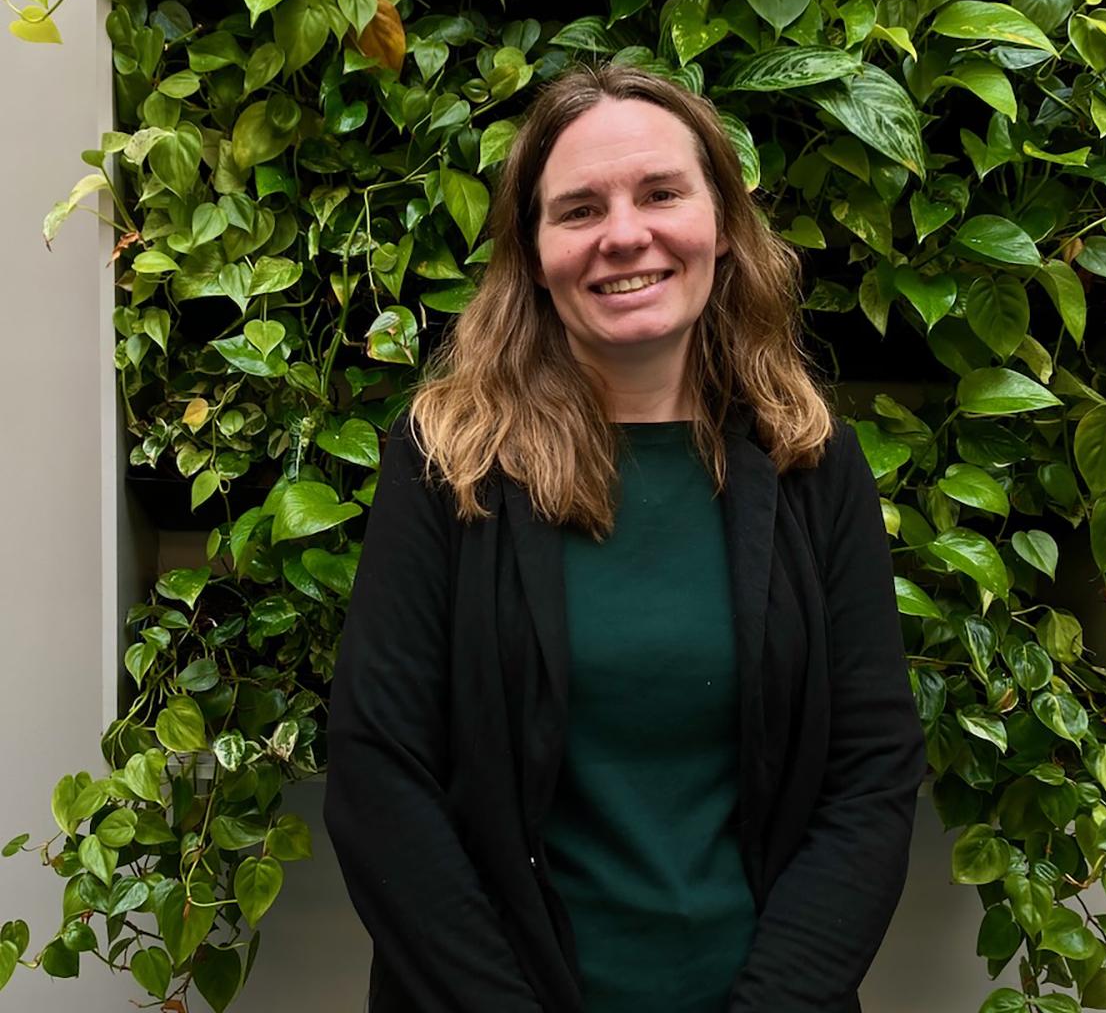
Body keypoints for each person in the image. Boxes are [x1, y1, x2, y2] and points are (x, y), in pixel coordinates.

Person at [323, 64, 927, 1013]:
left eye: (660, 193)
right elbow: (376, 773)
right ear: (531, 251)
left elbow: (873, 774)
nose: (625, 235)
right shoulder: (448, 465)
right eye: (578, 209)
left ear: (721, 225)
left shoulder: (811, 462)